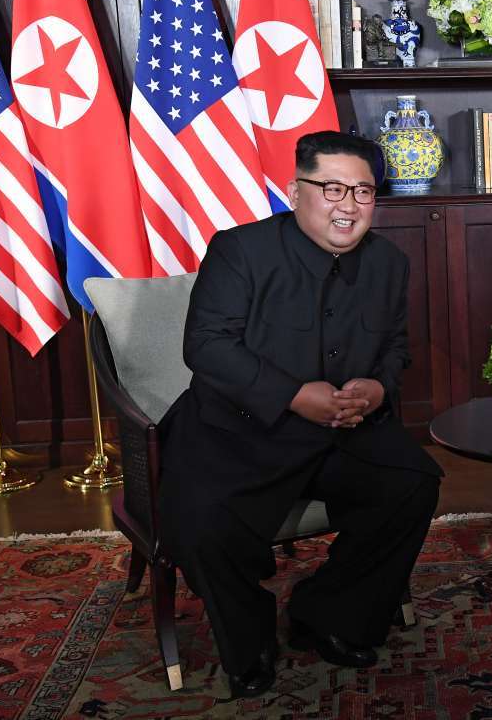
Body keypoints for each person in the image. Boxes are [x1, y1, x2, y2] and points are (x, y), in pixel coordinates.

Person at [157, 131, 442, 698]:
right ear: (295, 191)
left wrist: (377, 390)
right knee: (202, 524)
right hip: (238, 428)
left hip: (342, 430)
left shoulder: (389, 262)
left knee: (413, 484)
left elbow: (395, 347)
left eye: (362, 191)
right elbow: (207, 345)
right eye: (331, 187)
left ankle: (329, 612)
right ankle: (250, 638)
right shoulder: (240, 250)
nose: (348, 204)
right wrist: (292, 395)